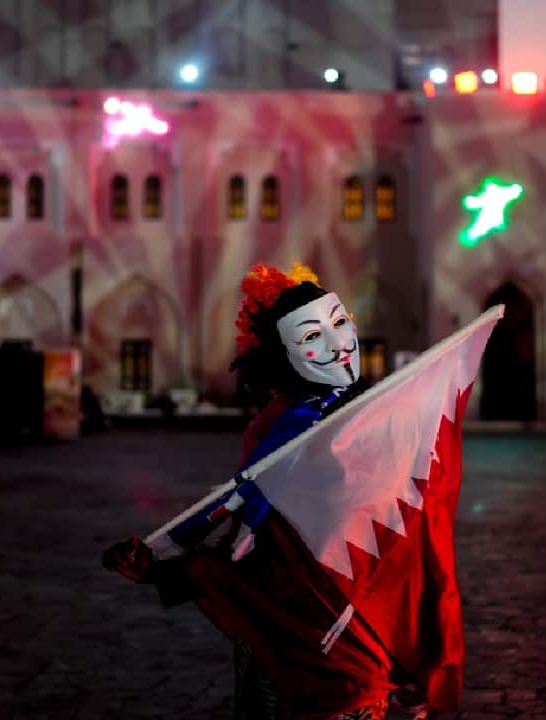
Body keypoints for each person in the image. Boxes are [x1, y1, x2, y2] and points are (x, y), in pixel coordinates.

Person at [103, 263, 418, 720]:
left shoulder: (381, 415)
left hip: (362, 634)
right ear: (284, 357)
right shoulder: (297, 426)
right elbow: (243, 503)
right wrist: (162, 557)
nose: (337, 344)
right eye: (311, 337)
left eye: (339, 323)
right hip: (309, 637)